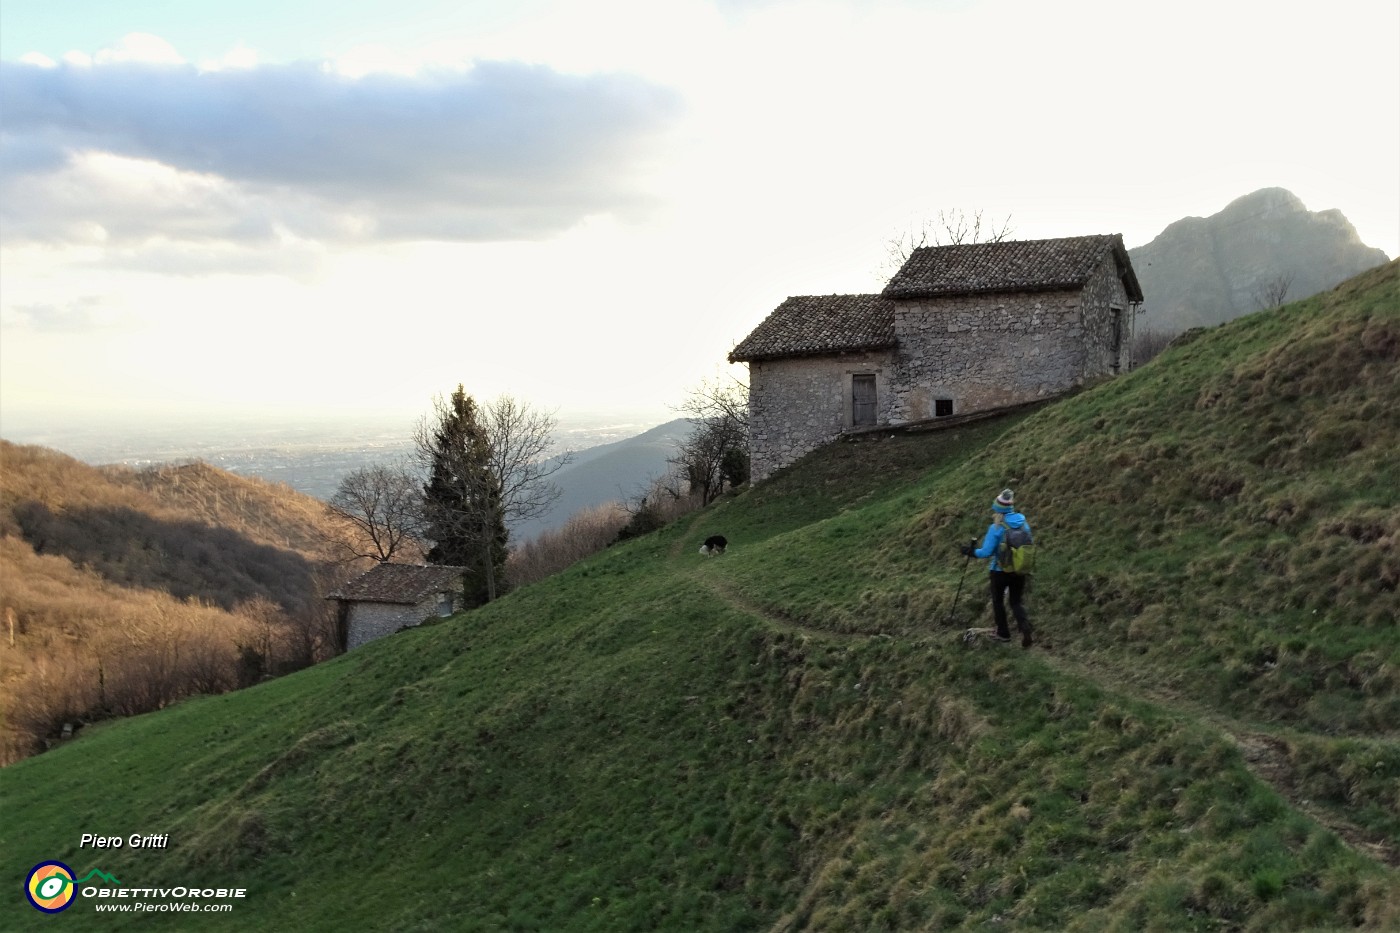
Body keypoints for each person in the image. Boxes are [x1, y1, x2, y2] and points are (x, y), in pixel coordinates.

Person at [961, 488, 1034, 647]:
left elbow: (985, 552)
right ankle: (1025, 628)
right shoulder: (1023, 524)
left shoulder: (996, 527)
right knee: (1016, 602)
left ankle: (1003, 633)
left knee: (998, 601)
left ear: (997, 510)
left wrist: (970, 551)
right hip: (1019, 569)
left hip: (999, 571)